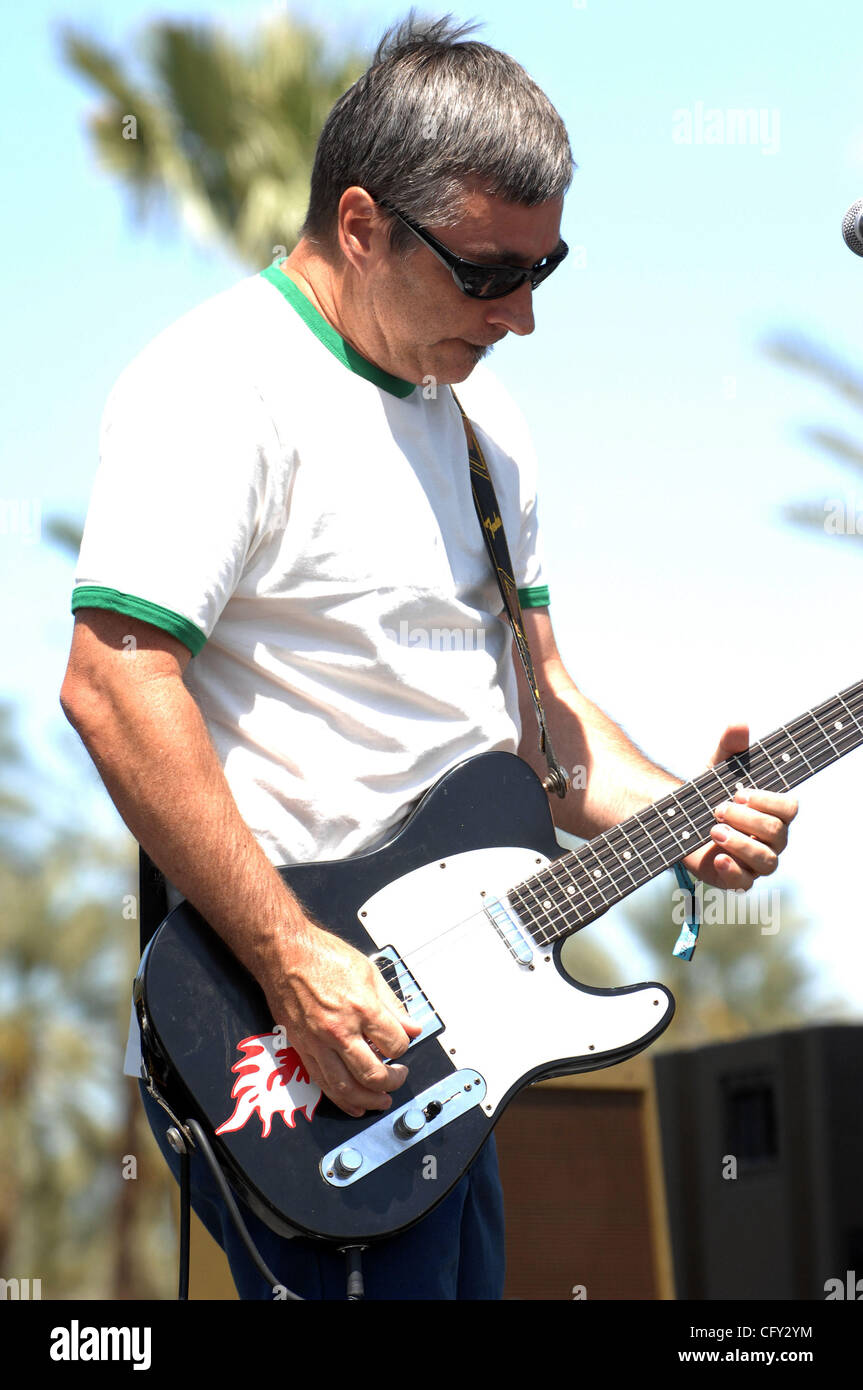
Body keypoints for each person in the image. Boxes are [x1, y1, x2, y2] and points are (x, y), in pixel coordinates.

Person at [59, 15, 797, 1301]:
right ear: (360, 225)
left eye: (543, 270)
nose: (519, 316)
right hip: (299, 1048)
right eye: (484, 272)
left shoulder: (485, 433)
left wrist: (682, 814)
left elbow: (545, 732)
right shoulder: (219, 386)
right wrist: (295, 961)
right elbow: (114, 683)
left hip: (449, 1047)